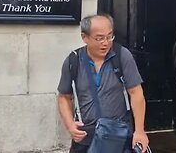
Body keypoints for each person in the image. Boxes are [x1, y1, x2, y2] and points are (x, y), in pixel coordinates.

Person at [57, 14, 149, 153]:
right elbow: (64, 96)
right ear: (84, 37)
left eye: (109, 36)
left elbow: (136, 93)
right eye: (99, 38)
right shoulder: (73, 61)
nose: (105, 43)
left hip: (118, 135)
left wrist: (140, 131)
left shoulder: (122, 56)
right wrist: (70, 125)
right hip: (85, 137)